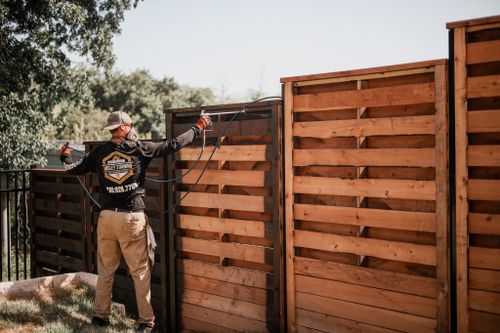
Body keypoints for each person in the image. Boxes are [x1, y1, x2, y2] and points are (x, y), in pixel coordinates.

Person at [59, 110, 211, 332]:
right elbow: (173, 145)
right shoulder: (141, 148)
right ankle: (145, 322)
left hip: (107, 219)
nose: (132, 128)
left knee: (106, 270)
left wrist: (64, 154)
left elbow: (72, 169)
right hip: (132, 219)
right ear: (122, 128)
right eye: (129, 125)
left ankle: (101, 317)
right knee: (140, 272)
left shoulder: (99, 153)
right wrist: (199, 127)